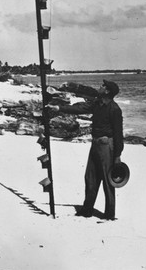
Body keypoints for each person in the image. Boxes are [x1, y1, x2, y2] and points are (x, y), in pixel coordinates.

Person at [46, 79, 123, 220]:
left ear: (107, 91)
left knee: (107, 181)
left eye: (102, 86)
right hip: (95, 144)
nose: (100, 86)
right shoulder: (97, 104)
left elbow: (119, 134)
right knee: (90, 178)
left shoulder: (114, 109)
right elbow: (80, 109)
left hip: (107, 145)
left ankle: (110, 214)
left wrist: (117, 156)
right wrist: (59, 108)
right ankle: (87, 210)